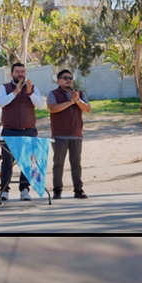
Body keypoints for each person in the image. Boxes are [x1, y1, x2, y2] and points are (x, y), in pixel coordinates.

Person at [0, 62, 44, 202]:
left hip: (29, 131)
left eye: (22, 71)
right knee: (7, 161)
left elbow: (40, 105)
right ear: (11, 74)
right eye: (17, 71)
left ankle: (24, 189)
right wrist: (15, 92)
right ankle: (4, 190)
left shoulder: (32, 88)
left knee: (29, 161)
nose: (20, 74)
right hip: (10, 131)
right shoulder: (4, 88)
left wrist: (29, 93)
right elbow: (1, 102)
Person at [46, 69, 91, 200]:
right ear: (58, 80)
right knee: (58, 163)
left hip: (76, 134)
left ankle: (78, 190)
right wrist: (70, 102)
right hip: (60, 135)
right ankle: (57, 190)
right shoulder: (53, 93)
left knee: (76, 164)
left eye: (70, 78)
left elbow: (87, 109)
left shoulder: (79, 94)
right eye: (65, 78)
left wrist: (77, 101)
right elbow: (53, 108)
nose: (69, 80)